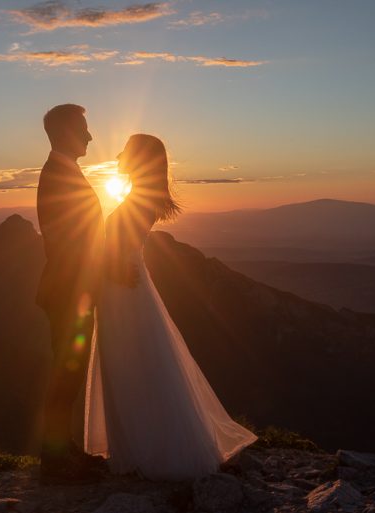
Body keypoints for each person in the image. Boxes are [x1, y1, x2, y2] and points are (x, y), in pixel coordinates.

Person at [84, 134, 258, 480]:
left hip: (123, 288)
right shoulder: (142, 197)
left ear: (138, 159)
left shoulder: (139, 200)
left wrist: (99, 264)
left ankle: (148, 451)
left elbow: (121, 249)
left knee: (133, 364)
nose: (118, 156)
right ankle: (140, 445)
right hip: (124, 287)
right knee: (137, 364)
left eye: (126, 152)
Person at [36, 104, 135, 483]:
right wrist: (107, 269)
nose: (91, 136)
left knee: (68, 376)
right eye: (84, 129)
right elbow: (70, 243)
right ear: (65, 132)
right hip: (67, 291)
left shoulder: (62, 170)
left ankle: (63, 453)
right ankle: (56, 463)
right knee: (65, 377)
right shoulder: (59, 174)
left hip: (68, 290)